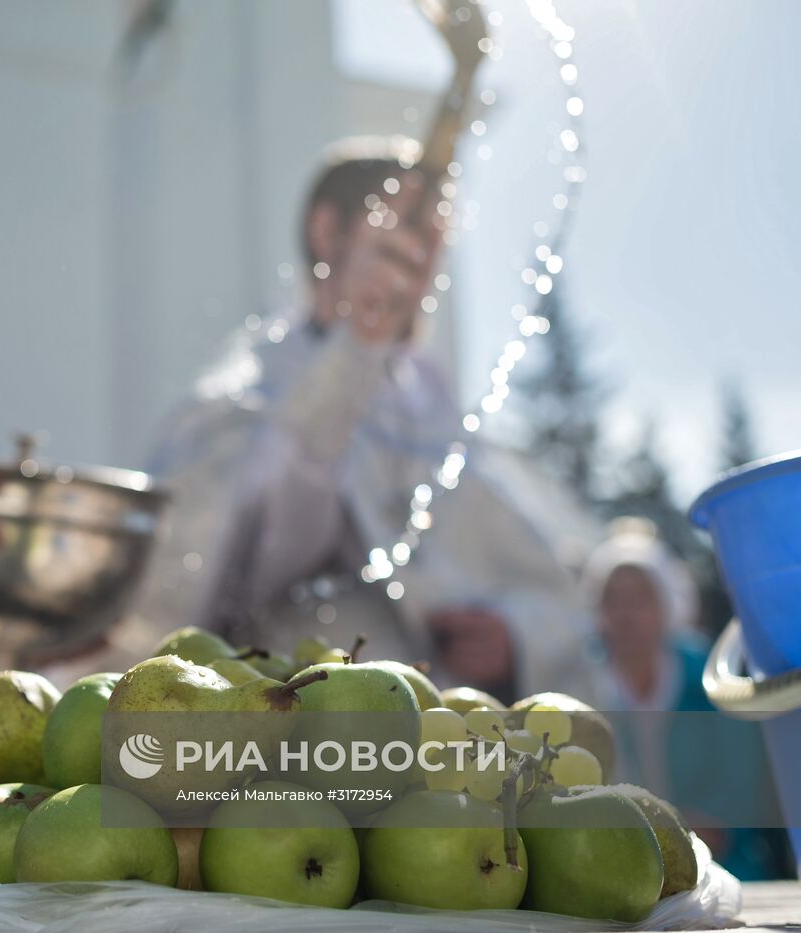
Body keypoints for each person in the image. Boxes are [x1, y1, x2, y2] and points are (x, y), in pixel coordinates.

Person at [122, 136, 600, 703]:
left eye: (431, 247)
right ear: (329, 233)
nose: (419, 269)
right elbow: (213, 560)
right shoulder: (251, 382)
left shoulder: (432, 404)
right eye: (398, 239)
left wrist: (511, 637)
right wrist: (355, 351)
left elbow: (555, 590)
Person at [583, 519, 794, 880]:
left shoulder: (711, 679)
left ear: (666, 603)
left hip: (724, 866)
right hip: (621, 871)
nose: (625, 613)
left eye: (639, 598)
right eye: (613, 599)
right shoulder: (582, 684)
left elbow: (739, 783)